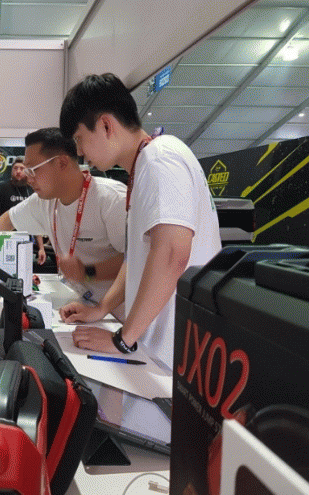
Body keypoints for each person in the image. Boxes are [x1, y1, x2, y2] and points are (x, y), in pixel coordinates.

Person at [58, 73, 221, 370]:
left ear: (106, 125)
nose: (80, 152)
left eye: (80, 139)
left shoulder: (161, 159)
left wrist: (123, 339)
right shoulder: (145, 165)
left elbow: (172, 253)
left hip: (176, 354)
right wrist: (102, 309)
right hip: (155, 347)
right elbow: (136, 259)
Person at [0, 127, 127, 312]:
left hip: (117, 314)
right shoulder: (46, 201)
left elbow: (136, 260)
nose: (28, 178)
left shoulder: (112, 200)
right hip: (81, 305)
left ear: (62, 163)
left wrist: (88, 272)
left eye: (33, 170)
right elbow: (7, 220)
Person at [0, 157, 47, 264]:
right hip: (4, 241)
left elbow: (36, 221)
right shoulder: (1, 189)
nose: (18, 171)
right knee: (3, 271)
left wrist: (41, 248)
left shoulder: (32, 190)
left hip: (25, 242)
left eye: (22, 168)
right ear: (11, 171)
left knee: (24, 270)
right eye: (15, 168)